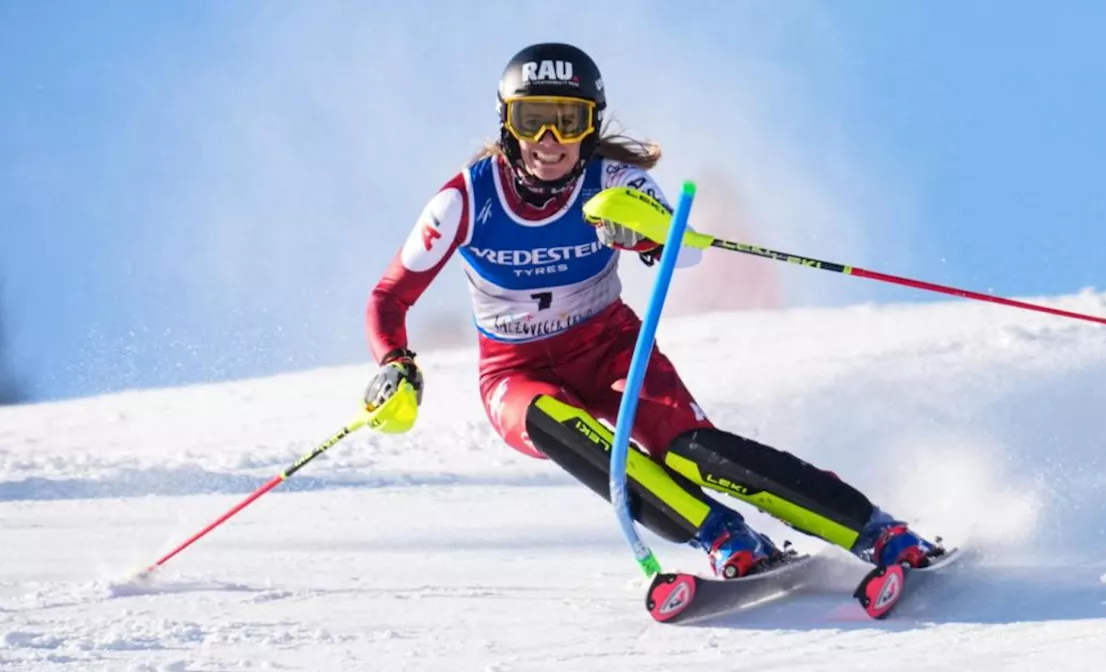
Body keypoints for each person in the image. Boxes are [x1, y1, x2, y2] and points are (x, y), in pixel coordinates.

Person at [362, 42, 942, 579]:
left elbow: (682, 253)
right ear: (505, 124)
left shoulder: (614, 181)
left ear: (591, 125)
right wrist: (394, 361)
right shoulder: (465, 199)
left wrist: (647, 235)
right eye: (529, 118)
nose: (547, 138)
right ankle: (723, 537)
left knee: (694, 452)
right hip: (515, 372)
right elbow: (389, 296)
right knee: (572, 433)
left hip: (610, 348)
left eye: (568, 120)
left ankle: (877, 531)